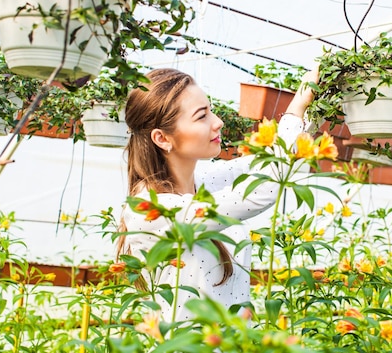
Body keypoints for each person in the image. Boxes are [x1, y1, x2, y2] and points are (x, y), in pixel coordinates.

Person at [116, 67, 317, 322]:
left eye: (210, 110)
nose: (217, 121)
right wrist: (295, 108)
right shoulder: (151, 210)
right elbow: (266, 187)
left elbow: (257, 165)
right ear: (162, 138)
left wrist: (313, 111)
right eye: (202, 116)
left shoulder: (201, 183)